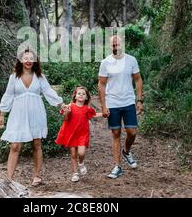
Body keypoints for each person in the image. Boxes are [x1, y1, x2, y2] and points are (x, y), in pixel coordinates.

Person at [0, 49, 69, 186]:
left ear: (35, 60)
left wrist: (61, 104)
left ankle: (37, 176)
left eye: (31, 58)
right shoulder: (14, 77)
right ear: (20, 60)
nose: (29, 60)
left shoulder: (39, 76)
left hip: (36, 113)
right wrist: (2, 114)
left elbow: (48, 91)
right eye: (26, 58)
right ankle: (9, 179)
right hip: (18, 114)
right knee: (15, 146)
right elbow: (8, 95)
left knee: (36, 144)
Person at [98, 35, 143, 179]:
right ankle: (117, 166)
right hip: (112, 103)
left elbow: (138, 79)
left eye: (117, 44)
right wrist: (103, 106)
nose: (115, 47)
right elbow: (101, 84)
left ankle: (126, 151)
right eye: (113, 45)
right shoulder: (106, 62)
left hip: (128, 101)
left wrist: (139, 100)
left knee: (132, 132)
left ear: (122, 44)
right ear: (110, 46)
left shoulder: (131, 60)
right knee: (116, 134)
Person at [55, 86, 102, 182]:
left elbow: (94, 115)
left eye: (83, 94)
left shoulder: (87, 108)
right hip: (71, 134)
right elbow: (65, 118)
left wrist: (104, 113)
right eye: (79, 93)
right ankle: (75, 173)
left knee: (81, 152)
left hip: (82, 134)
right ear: (75, 96)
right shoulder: (70, 106)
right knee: (73, 154)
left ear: (86, 97)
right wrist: (66, 113)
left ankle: (81, 163)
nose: (81, 95)